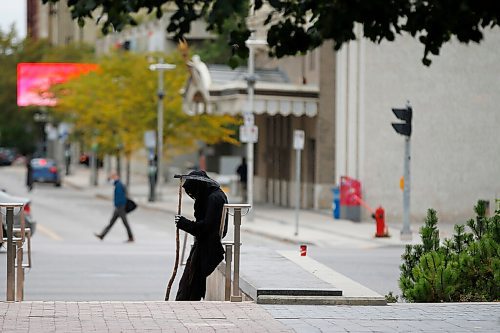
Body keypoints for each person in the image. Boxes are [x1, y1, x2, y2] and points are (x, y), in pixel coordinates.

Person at [174, 170, 228, 301]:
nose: (193, 196)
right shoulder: (211, 196)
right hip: (203, 245)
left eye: (193, 192)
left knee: (189, 285)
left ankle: (184, 309)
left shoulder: (214, 198)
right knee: (191, 284)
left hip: (207, 247)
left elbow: (207, 227)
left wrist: (185, 224)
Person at [95, 172, 134, 242]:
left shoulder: (119, 185)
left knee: (125, 223)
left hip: (120, 207)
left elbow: (121, 196)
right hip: (118, 207)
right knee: (112, 222)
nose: (112, 179)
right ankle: (102, 235)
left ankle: (131, 237)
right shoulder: (118, 184)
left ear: (117, 177)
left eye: (113, 177)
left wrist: (120, 205)